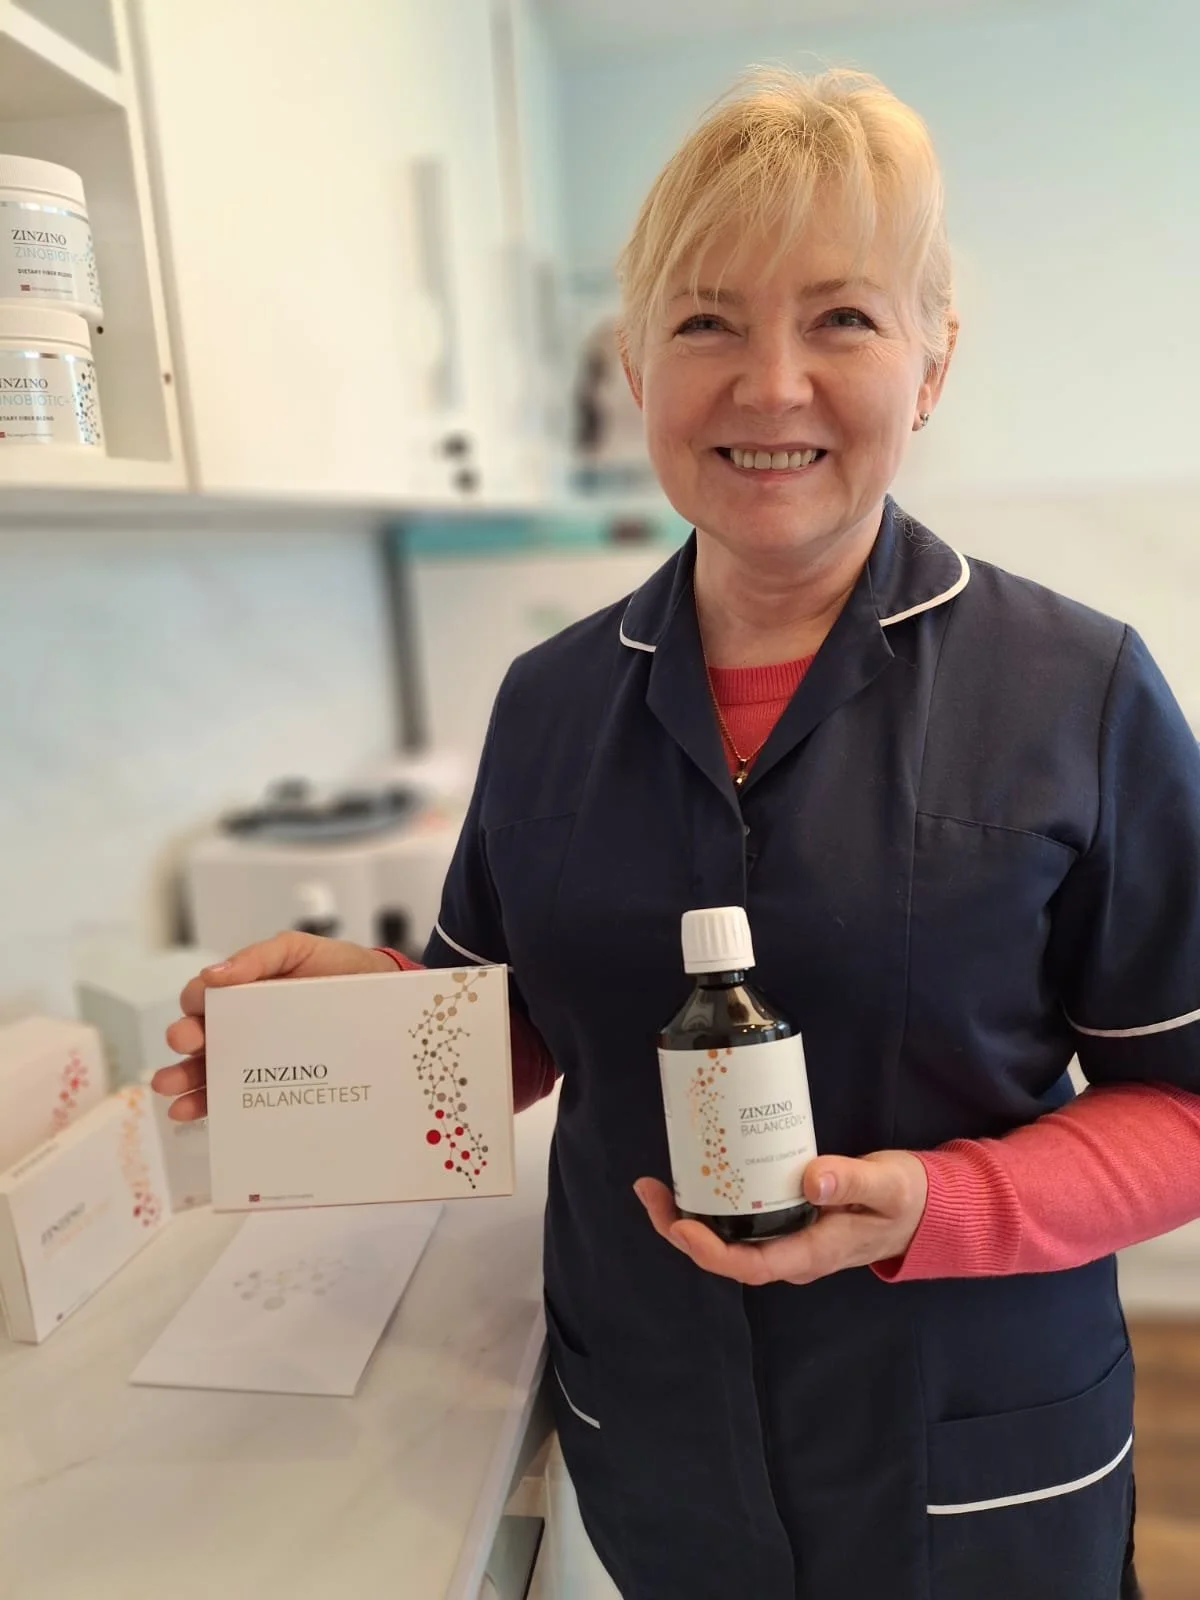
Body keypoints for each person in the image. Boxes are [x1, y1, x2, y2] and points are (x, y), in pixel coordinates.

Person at [153, 68, 1200, 1599]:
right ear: (634, 362)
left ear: (932, 362)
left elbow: (1182, 1106)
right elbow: (520, 1036)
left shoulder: (1078, 689)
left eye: (842, 317)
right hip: (658, 1429)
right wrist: (347, 1024)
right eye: (706, 322)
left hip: (968, 1454)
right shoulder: (550, 700)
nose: (769, 385)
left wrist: (934, 1202)